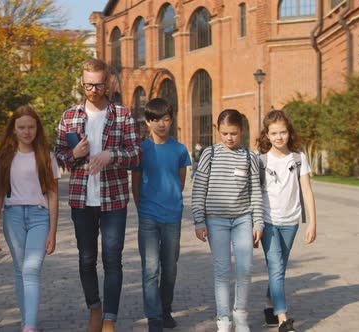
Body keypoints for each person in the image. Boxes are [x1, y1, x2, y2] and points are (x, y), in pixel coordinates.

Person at [55, 58, 140, 332]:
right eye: (88, 84)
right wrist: (74, 154)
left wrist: (111, 155)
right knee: (86, 258)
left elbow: (136, 153)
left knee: (113, 259)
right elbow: (58, 157)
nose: (93, 89)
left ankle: (110, 319)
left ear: (108, 83)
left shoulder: (122, 114)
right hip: (81, 200)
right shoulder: (69, 116)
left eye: (99, 84)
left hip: (113, 199)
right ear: (82, 82)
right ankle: (95, 308)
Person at [192, 109, 263, 332]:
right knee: (222, 271)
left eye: (233, 133)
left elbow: (256, 191)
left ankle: (240, 314)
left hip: (243, 219)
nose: (229, 138)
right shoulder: (209, 154)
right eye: (224, 133)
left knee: (245, 268)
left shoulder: (249, 156)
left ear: (241, 130)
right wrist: (198, 220)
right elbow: (199, 188)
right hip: (216, 221)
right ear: (218, 131)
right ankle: (223, 320)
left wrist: (258, 222)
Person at [0, 106, 60, 332]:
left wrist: (53, 231)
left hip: (40, 217)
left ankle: (29, 326)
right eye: (21, 127)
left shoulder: (47, 157)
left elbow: (52, 194)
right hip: (13, 217)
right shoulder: (5, 158)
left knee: (31, 269)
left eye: (31, 126)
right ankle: (26, 322)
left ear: (38, 128)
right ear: (14, 129)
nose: (27, 131)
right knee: (20, 270)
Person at [131, 98, 191, 332]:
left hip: (172, 217)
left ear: (171, 120)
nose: (161, 124)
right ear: (147, 122)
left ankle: (166, 309)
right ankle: (154, 316)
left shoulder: (179, 149)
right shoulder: (141, 150)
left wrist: (172, 202)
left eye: (165, 119)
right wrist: (141, 207)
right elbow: (135, 184)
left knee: (170, 267)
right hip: (148, 215)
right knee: (150, 268)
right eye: (155, 120)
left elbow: (181, 180)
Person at [256, 110, 317, 332]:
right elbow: (253, 193)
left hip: (291, 222)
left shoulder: (299, 158)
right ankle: (283, 318)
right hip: (268, 221)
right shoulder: (260, 159)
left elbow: (307, 191)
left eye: (283, 132)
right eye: (274, 133)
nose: (279, 137)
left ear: (289, 133)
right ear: (267, 135)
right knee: (276, 267)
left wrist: (312, 222)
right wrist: (254, 224)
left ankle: (269, 305)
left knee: (278, 269)